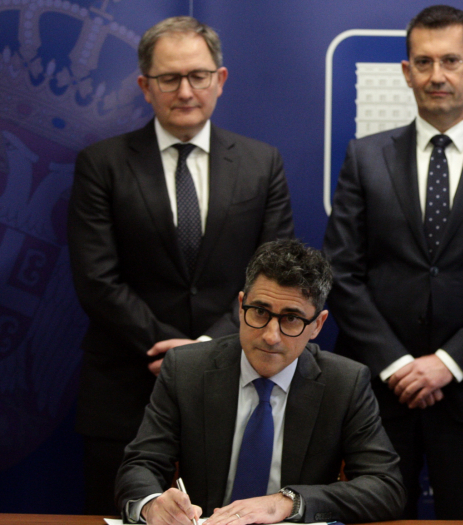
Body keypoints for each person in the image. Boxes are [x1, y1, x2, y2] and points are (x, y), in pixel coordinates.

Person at [322, 4, 463, 519]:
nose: (436, 75)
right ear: (406, 72)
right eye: (423, 62)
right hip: (378, 390)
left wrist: (447, 363)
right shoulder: (364, 156)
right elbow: (341, 272)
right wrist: (398, 365)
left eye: (450, 60)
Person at [67, 16, 294, 515]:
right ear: (145, 86)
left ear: (220, 79)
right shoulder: (101, 164)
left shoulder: (262, 163)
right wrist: (172, 352)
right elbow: (97, 279)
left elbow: (274, 276)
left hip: (235, 384)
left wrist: (208, 346)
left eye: (198, 75)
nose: (185, 91)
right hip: (125, 388)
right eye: (169, 78)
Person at [115, 240, 405, 525]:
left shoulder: (345, 383)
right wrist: (152, 505)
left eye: (291, 319)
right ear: (241, 306)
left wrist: (287, 502)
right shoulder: (186, 369)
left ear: (317, 325)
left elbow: (385, 487)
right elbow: (141, 464)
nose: (270, 336)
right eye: (260, 312)